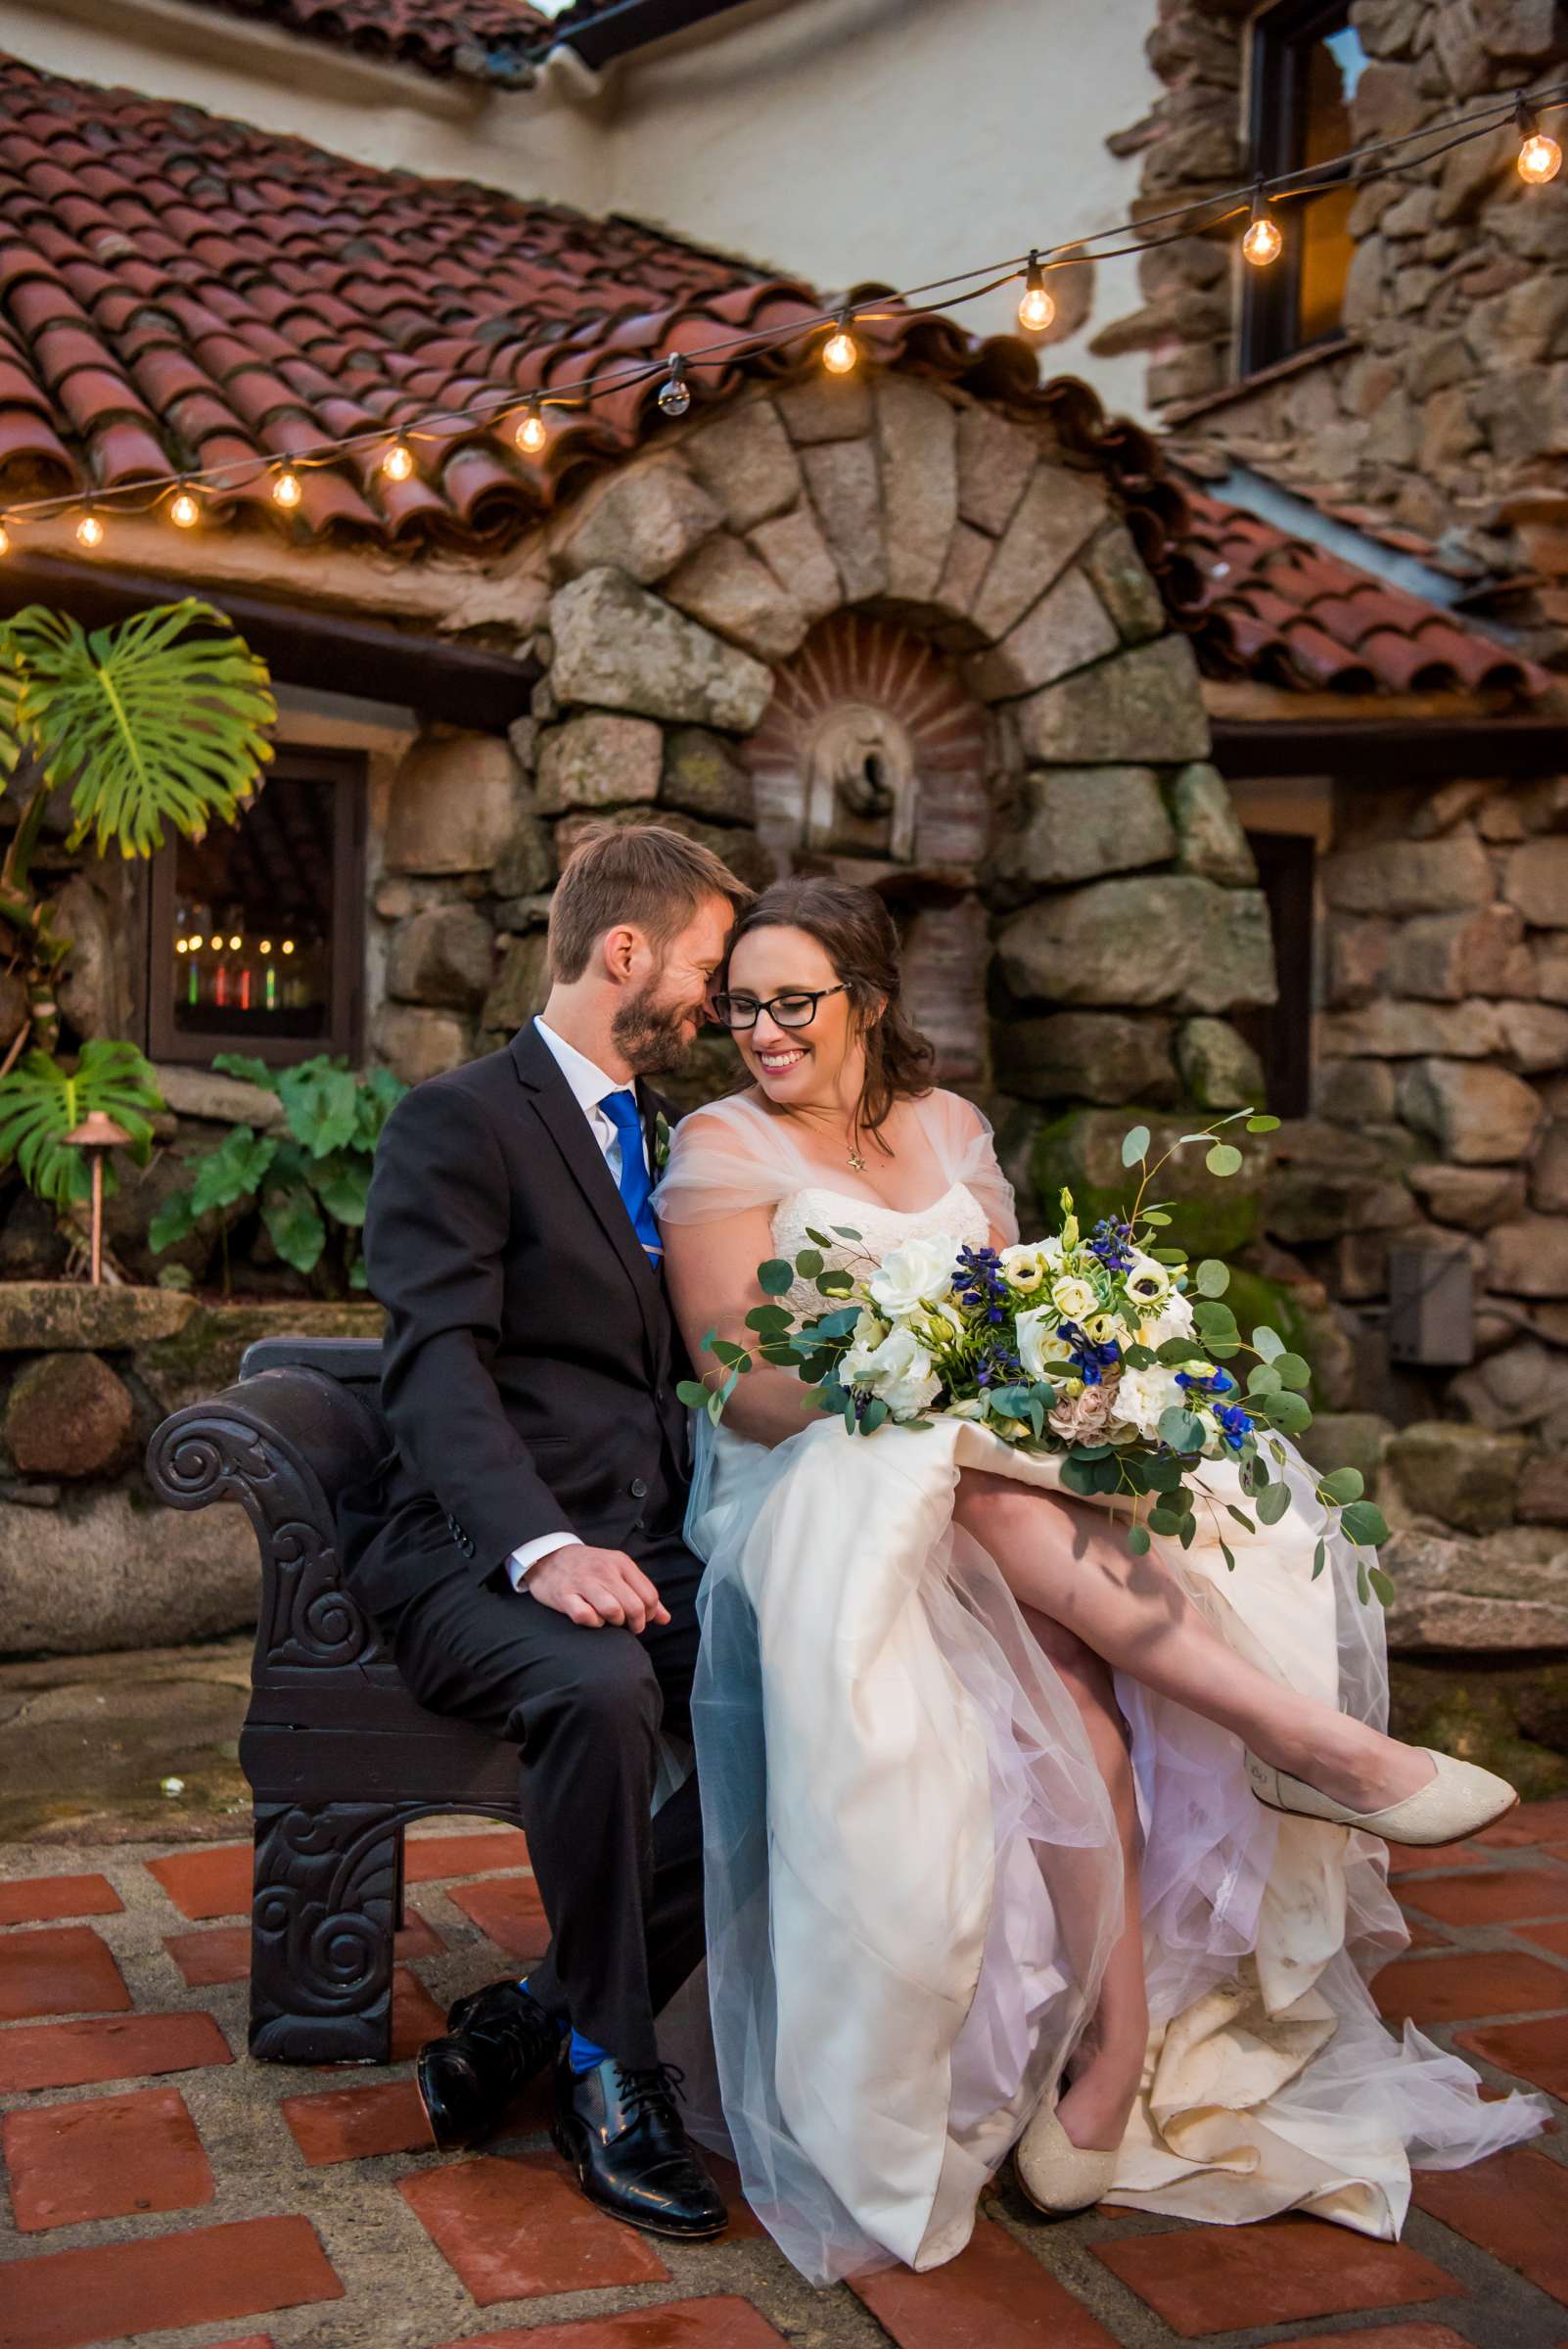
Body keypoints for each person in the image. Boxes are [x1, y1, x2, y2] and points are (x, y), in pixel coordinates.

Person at [654, 874, 1548, 2284]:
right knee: (983, 1512)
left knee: (1072, 1670)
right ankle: (1301, 1746)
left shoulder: (952, 1130)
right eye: (742, 1004)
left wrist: (1074, 1382)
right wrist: (899, 1394)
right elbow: (731, 1378)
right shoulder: (717, 1143)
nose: (759, 1030)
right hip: (812, 1469)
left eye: (790, 1002)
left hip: (985, 1472)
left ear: (866, 1003)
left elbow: (1009, 1310)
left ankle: (1119, 2056)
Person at [341, 822, 751, 2242]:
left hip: (653, 1537)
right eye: (703, 966)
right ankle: (606, 2068)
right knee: (601, 1684)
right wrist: (539, 1548)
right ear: (623, 951)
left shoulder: (660, 1137)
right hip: (471, 1551)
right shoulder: (459, 1118)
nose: (713, 999)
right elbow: (436, 1365)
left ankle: (537, 2009)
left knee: (815, 1698)